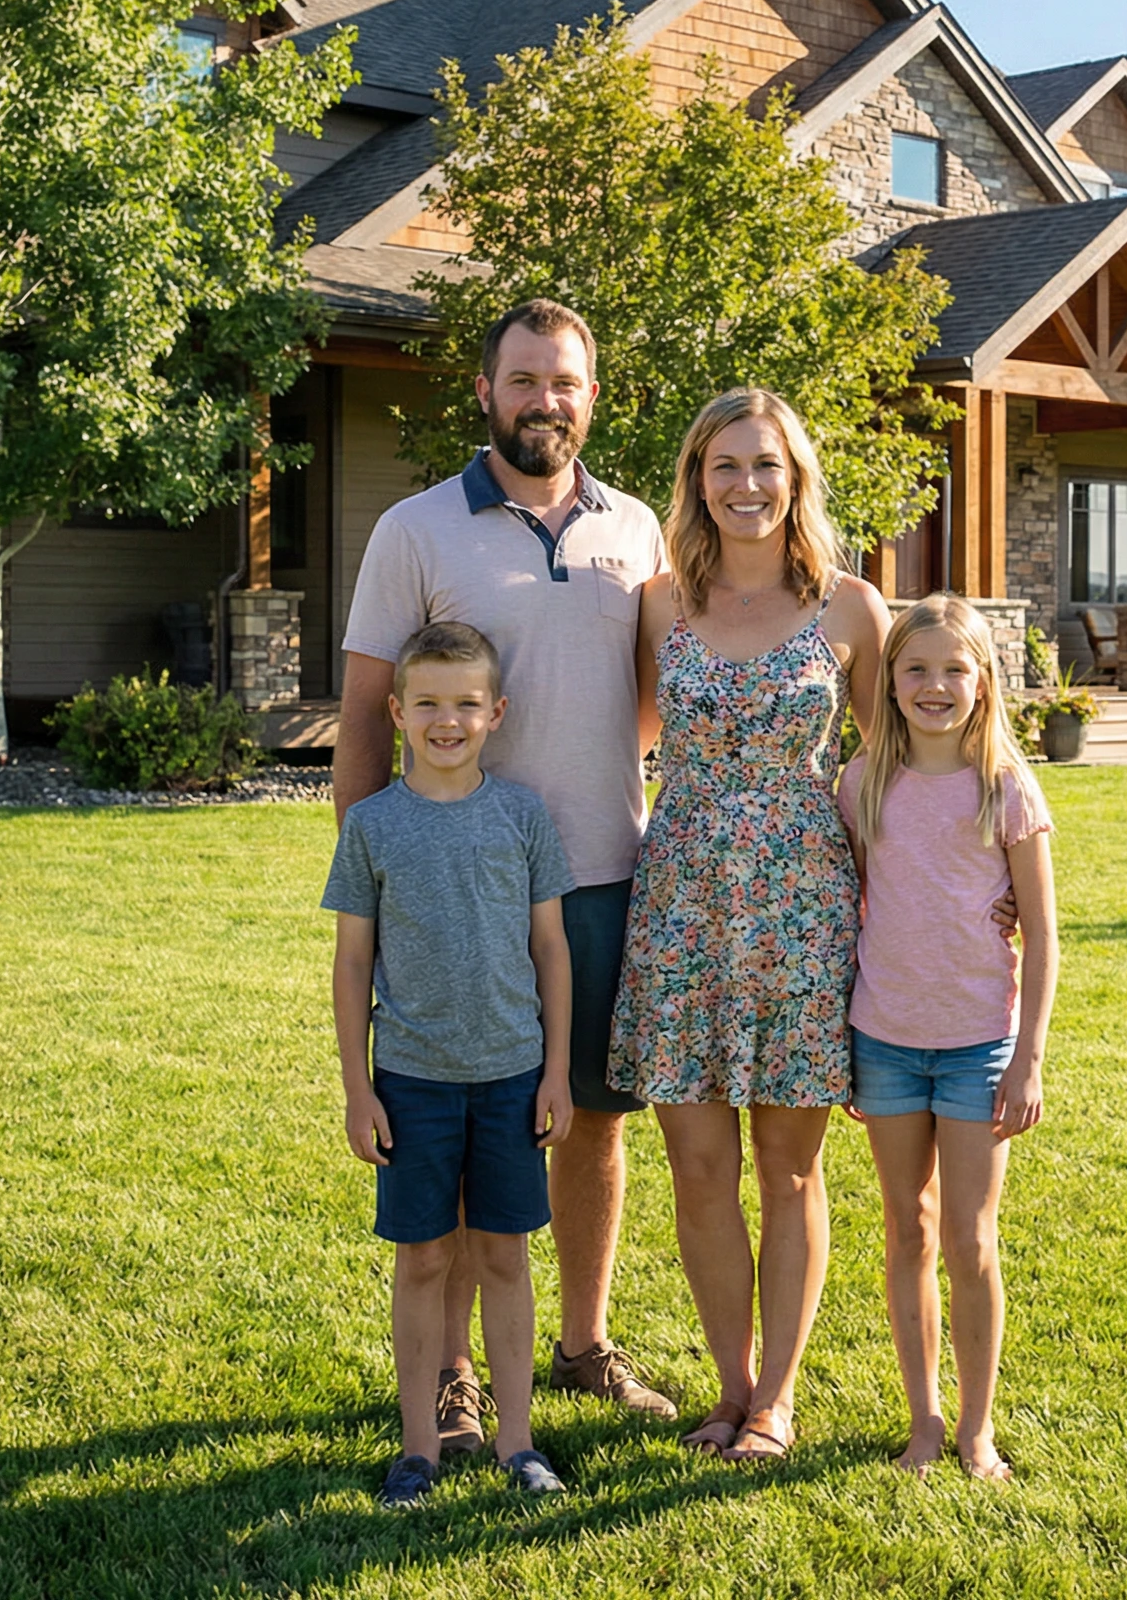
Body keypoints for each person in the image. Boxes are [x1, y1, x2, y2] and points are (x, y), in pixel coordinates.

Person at [334, 298, 678, 1453]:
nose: (546, 400)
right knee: (473, 1116)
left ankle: (581, 1344)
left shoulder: (636, 529)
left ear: (592, 392)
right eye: (524, 379)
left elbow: (646, 691)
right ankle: (452, 1375)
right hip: (450, 892)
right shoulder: (415, 529)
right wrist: (371, 882)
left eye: (565, 381)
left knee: (588, 1120)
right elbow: (365, 716)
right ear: (485, 391)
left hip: (603, 873)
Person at [607, 389, 890, 1462]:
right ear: (695, 480)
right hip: (679, 909)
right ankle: (726, 1387)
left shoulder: (853, 609)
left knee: (788, 1168)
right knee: (693, 1162)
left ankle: (775, 1399)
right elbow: (625, 742)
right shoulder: (657, 605)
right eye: (723, 465)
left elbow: (892, 772)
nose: (745, 485)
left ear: (796, 477)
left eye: (765, 465)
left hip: (804, 914)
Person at [327, 621, 576, 1505]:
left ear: (496, 712)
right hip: (411, 1080)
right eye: (428, 703)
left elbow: (552, 950)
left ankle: (519, 1443)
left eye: (466, 703)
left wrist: (555, 1072)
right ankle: (419, 1448)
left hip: (511, 1075)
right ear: (396, 712)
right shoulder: (372, 827)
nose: (447, 720)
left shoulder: (521, 817)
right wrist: (360, 1089)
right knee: (425, 1261)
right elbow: (353, 962)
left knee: (504, 1257)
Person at [836, 594, 1060, 1484]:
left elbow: (1042, 931)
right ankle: (923, 1419)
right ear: (887, 682)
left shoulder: (1006, 786)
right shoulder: (862, 784)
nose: (934, 686)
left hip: (977, 1047)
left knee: (971, 1240)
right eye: (915, 669)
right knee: (907, 1230)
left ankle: (977, 1429)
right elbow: (857, 901)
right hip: (885, 1039)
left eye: (953, 670)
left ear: (984, 681)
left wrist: (1028, 1059)